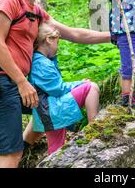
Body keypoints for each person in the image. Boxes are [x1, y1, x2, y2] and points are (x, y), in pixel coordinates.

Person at [0, 0, 110, 168]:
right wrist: (22, 82)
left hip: (15, 84)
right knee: (10, 153)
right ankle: (19, 151)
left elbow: (74, 34)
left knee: (48, 105)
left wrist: (113, 37)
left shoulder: (36, 12)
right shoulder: (8, 0)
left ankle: (27, 148)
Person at [29, 23, 100, 156]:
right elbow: (58, 89)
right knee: (91, 87)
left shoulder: (40, 60)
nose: (58, 47)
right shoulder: (41, 63)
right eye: (57, 42)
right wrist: (81, 83)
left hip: (47, 113)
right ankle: (94, 129)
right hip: (52, 110)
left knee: (55, 150)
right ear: (49, 40)